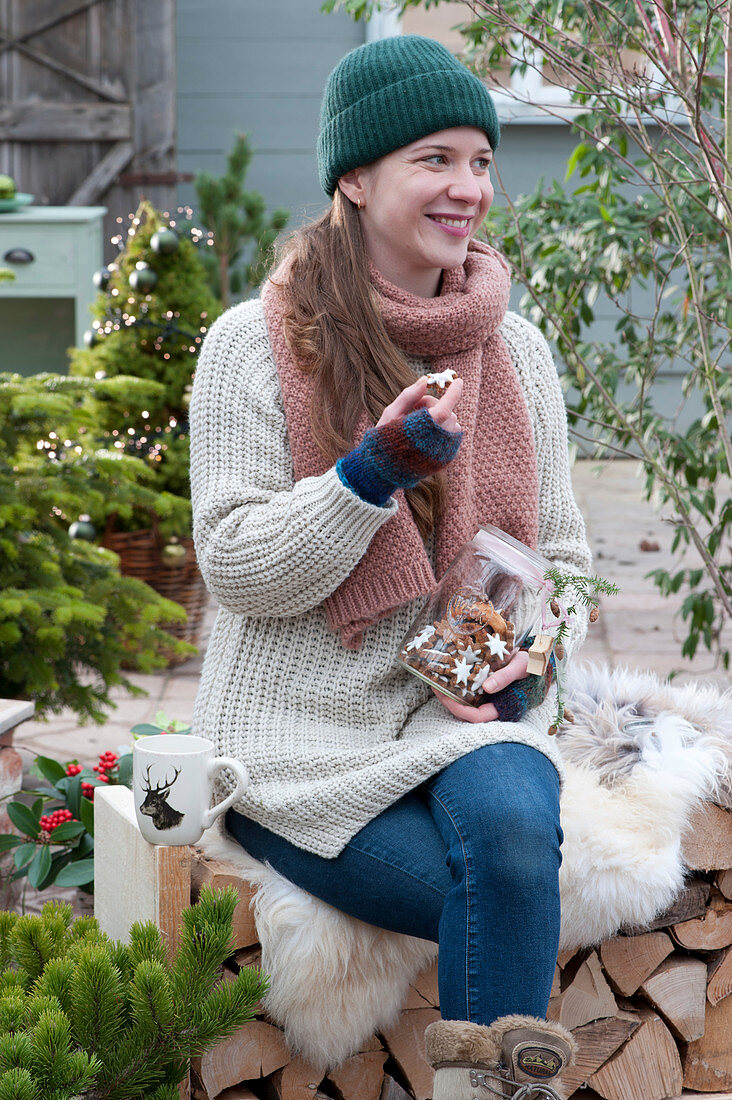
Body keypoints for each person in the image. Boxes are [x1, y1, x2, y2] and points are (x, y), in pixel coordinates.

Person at [190, 34, 591, 1100]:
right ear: (355, 179)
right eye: (436, 160)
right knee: (499, 892)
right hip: (297, 743)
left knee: (512, 832)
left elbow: (568, 561)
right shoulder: (251, 343)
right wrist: (373, 470)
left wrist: (528, 664)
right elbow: (236, 566)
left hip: (452, 719)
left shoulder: (518, 354)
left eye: (480, 160)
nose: (470, 188)